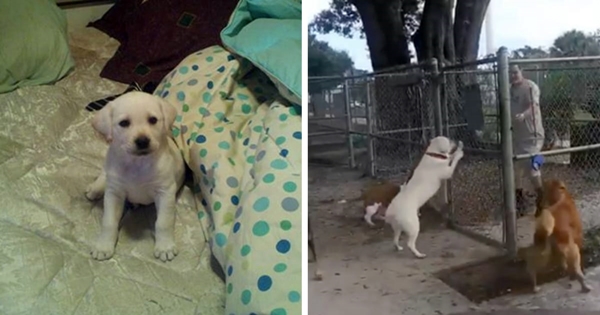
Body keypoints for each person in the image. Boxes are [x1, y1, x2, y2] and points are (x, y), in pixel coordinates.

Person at [509, 64, 545, 216]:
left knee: (533, 168)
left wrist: (524, 115)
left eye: (515, 72)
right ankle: (520, 201)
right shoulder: (509, 89)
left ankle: (542, 199)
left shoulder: (530, 86)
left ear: (521, 71)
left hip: (533, 135)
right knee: (515, 170)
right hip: (517, 135)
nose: (513, 75)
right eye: (510, 73)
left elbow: (534, 106)